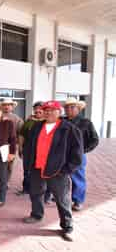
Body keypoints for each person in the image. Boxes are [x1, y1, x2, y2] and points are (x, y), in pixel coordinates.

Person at [23, 100, 83, 242]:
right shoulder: (37, 127)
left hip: (58, 171)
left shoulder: (69, 128)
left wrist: (67, 169)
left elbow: (77, 152)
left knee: (62, 199)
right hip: (37, 168)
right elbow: (28, 146)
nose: (48, 112)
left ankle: (67, 226)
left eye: (52, 110)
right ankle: (37, 214)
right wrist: (28, 164)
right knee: (36, 193)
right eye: (46, 110)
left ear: (59, 112)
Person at [64, 97, 99, 211]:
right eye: (67, 107)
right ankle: (61, 197)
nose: (69, 109)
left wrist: (83, 151)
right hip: (61, 154)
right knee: (60, 176)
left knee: (78, 178)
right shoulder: (62, 121)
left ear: (78, 108)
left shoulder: (86, 122)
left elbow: (94, 139)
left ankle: (78, 201)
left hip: (77, 155)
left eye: (72, 107)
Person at [16, 101, 44, 196]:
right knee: (27, 169)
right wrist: (20, 147)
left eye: (40, 108)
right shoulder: (29, 122)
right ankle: (26, 189)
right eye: (36, 108)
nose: (38, 110)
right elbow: (21, 135)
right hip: (28, 149)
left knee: (41, 171)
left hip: (42, 151)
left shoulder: (47, 122)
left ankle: (40, 191)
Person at [0, 98, 24, 183]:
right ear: (2, 107)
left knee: (9, 165)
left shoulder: (17, 119)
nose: (6, 107)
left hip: (11, 145)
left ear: (12, 107)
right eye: (5, 105)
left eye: (9, 105)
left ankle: (6, 181)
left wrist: (19, 146)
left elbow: (21, 133)